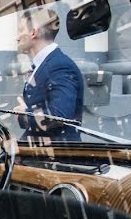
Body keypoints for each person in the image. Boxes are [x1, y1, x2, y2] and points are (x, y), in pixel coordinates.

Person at [12, 8, 84, 141]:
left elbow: (58, 116)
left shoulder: (59, 66)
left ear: (33, 32)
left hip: (59, 155)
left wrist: (24, 116)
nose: (17, 37)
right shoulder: (47, 64)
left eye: (20, 30)